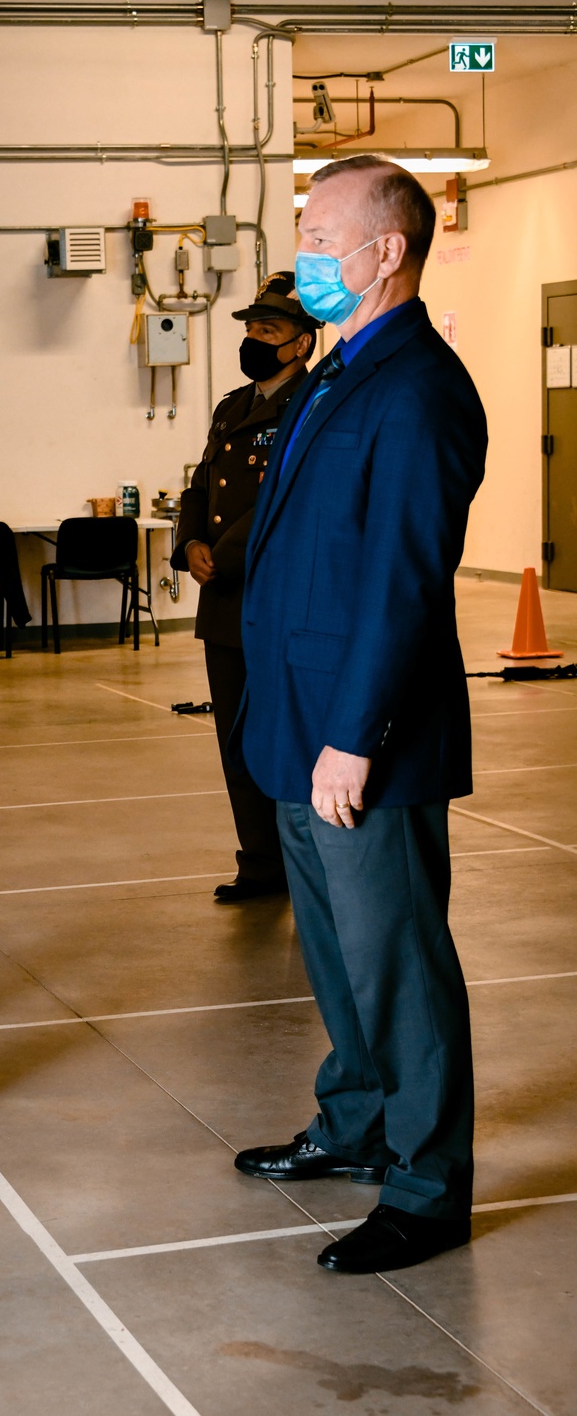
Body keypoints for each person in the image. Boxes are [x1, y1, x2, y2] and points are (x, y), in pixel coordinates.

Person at [232, 155, 487, 1273]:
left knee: (398, 965)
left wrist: (354, 736)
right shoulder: (340, 374)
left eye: (324, 236)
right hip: (298, 724)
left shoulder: (419, 386)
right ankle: (358, 1120)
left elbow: (401, 579)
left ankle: (426, 1188)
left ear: (387, 251)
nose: (306, 256)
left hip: (359, 737)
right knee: (336, 955)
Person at [173, 273, 319, 902]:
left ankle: (305, 867)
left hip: (277, 598)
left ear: (302, 344)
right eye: (252, 329)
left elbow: (283, 501)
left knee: (287, 739)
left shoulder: (313, 405)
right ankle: (262, 865)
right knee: (236, 740)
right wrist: (188, 545)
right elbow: (201, 486)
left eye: (270, 330)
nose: (255, 339)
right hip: (223, 604)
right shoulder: (232, 407)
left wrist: (224, 554)